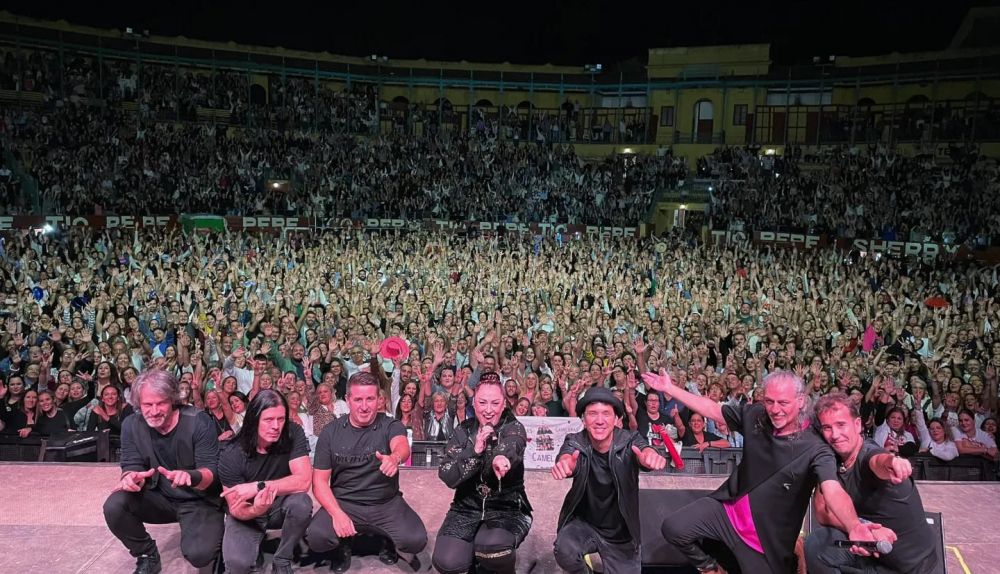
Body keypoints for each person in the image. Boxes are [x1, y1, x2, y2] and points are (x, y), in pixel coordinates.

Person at [642, 369, 879, 574]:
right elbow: (713, 410)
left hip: (764, 541)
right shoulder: (757, 415)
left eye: (783, 403)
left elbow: (832, 489)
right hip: (727, 513)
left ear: (800, 401)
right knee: (674, 528)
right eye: (769, 401)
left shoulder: (817, 447)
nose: (775, 409)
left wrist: (854, 526)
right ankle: (711, 569)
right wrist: (670, 388)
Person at [103, 369, 224, 574]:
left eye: (161, 403)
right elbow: (131, 463)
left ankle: (221, 538)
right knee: (115, 505)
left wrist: (190, 476)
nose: (154, 411)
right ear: (138, 404)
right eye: (147, 405)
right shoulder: (131, 424)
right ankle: (146, 554)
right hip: (159, 496)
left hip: (198, 499)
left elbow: (211, 473)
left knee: (200, 555)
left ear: (173, 399)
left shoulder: (198, 421)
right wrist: (131, 477)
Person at [305, 371, 426, 572]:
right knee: (316, 537)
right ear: (348, 400)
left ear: (379, 400)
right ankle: (344, 544)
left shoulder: (391, 424)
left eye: (370, 399)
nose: (364, 406)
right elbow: (319, 482)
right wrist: (337, 514)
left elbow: (402, 446)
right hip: (344, 502)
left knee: (415, 540)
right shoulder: (331, 432)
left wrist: (394, 458)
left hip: (385, 502)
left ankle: (386, 539)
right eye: (358, 399)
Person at [807, 392, 940, 574]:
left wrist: (893, 463)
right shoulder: (833, 459)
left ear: (857, 424)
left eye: (841, 425)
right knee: (817, 545)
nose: (835, 434)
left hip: (912, 567)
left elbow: (879, 461)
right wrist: (860, 526)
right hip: (875, 556)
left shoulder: (869, 454)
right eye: (827, 428)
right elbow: (822, 513)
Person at [551, 387, 666, 573]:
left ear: (616, 419)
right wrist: (565, 464)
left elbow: (643, 449)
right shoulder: (576, 441)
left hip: (621, 535)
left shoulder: (630, 439)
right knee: (565, 550)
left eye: (606, 413)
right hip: (584, 525)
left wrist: (649, 455)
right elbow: (567, 455)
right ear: (584, 419)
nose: (599, 420)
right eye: (592, 414)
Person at [432, 372, 532, 574]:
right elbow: (447, 474)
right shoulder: (463, 430)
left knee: (493, 550)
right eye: (482, 403)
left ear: (503, 404)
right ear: (474, 403)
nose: (488, 410)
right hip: (466, 508)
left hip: (506, 508)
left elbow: (513, 444)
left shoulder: (515, 427)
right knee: (446, 562)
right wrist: (475, 450)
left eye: (495, 403)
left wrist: (501, 457)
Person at [218, 389, 313, 574]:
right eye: (269, 420)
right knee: (237, 565)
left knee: (302, 503)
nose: (276, 426)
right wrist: (256, 509)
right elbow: (236, 508)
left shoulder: (293, 432)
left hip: (279, 504)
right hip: (247, 511)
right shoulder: (231, 453)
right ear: (254, 420)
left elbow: (303, 481)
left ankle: (283, 558)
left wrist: (258, 487)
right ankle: (255, 545)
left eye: (281, 419)